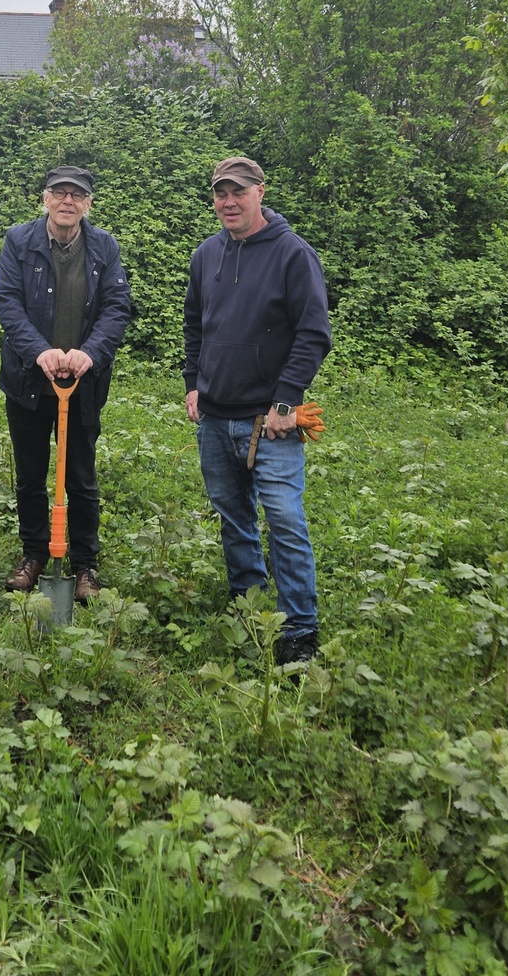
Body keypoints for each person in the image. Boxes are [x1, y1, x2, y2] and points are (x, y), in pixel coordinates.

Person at [183, 156, 332, 666]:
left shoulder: (293, 255)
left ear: (260, 192)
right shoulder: (206, 256)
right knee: (234, 517)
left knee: (286, 520)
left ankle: (299, 628)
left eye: (239, 191)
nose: (229, 201)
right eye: (221, 192)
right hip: (215, 416)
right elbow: (194, 327)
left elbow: (313, 334)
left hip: (271, 423)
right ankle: (250, 603)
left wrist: (286, 401)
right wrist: (193, 385)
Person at [0, 165, 134, 600]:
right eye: (59, 192)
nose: (67, 201)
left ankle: (85, 564)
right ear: (45, 198)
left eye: (77, 195)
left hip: (84, 383)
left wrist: (90, 353)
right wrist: (40, 351)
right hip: (28, 381)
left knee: (81, 477)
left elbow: (117, 307)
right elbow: (7, 303)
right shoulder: (18, 241)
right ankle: (34, 553)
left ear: (88, 204)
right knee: (31, 475)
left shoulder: (104, 246)